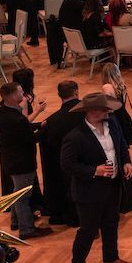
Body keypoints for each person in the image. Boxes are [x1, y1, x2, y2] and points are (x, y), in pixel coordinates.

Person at [61, 92, 132, 263]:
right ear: (91, 112)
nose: (107, 111)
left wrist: (126, 162)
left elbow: (122, 146)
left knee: (111, 223)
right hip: (89, 192)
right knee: (88, 230)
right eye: (104, 109)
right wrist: (95, 170)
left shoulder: (113, 125)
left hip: (113, 185)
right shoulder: (75, 136)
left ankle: (111, 257)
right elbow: (67, 165)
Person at [0, 82, 52, 239]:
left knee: (17, 191)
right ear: (12, 96)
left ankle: (15, 221)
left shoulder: (2, 112)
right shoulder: (15, 118)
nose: (23, 95)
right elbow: (30, 137)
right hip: (21, 163)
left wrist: (39, 124)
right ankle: (26, 229)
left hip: (10, 160)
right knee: (23, 196)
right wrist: (45, 129)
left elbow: (23, 129)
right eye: (20, 92)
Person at [39, 80, 80, 227]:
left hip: (63, 163)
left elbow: (49, 143)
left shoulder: (53, 121)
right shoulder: (87, 112)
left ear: (59, 95)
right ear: (76, 92)